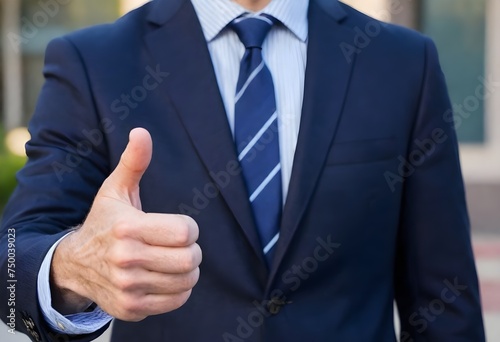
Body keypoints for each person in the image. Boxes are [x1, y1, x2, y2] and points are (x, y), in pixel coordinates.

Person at [0, 0, 486, 341]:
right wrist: (74, 265)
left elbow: (445, 296)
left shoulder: (403, 62)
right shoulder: (94, 61)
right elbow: (13, 256)